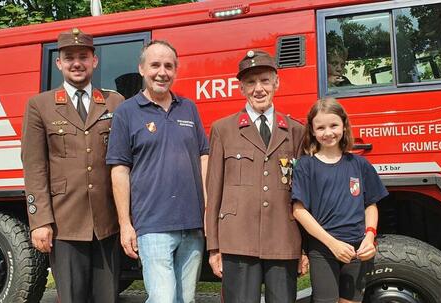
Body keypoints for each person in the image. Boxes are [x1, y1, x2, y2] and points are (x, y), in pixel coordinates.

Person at [21, 28, 124, 303]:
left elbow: (127, 163)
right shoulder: (40, 105)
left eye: (83, 56)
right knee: (72, 298)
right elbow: (34, 167)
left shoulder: (115, 102)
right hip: (65, 222)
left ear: (94, 61)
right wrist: (40, 221)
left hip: (107, 222)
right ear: (59, 63)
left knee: (108, 298)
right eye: (69, 58)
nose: (76, 63)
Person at [106, 40, 209, 303]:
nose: (162, 72)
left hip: (193, 223)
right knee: (163, 298)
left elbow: (203, 156)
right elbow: (119, 170)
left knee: (185, 300)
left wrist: (208, 208)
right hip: (152, 225)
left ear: (176, 70)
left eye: (168, 66)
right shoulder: (126, 112)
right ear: (141, 69)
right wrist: (125, 224)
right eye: (155, 65)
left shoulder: (188, 108)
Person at [205, 50, 308, 303]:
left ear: (276, 83)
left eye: (264, 80)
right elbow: (214, 190)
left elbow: (303, 196)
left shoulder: (295, 130)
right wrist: (214, 247)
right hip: (237, 239)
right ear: (241, 88)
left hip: (283, 238)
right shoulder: (223, 129)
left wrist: (303, 248)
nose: (258, 89)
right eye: (250, 82)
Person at [291, 97, 388, 303]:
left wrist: (369, 237)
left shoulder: (359, 164)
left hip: (357, 250)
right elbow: (298, 211)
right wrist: (333, 244)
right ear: (312, 131)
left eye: (334, 125)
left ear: (344, 125)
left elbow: (370, 205)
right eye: (321, 127)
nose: (328, 133)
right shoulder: (305, 166)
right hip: (323, 249)